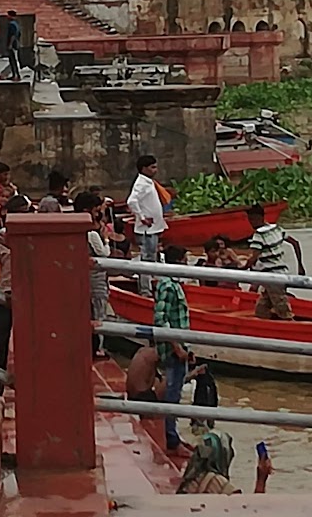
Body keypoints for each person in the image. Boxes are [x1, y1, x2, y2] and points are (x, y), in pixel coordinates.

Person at [0, 194, 33, 395]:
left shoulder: (34, 237)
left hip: (29, 298)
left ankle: (30, 385)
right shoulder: (0, 238)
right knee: (1, 342)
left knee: (29, 343)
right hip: (7, 297)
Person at [154, 244, 193, 454]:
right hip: (173, 349)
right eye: (185, 259)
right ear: (178, 261)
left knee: (175, 393)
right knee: (172, 394)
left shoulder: (172, 284)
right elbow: (161, 319)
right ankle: (172, 440)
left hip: (179, 345)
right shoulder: (168, 286)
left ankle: (174, 436)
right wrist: (177, 347)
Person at [244, 203, 304, 320]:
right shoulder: (276, 229)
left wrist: (241, 269)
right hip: (279, 274)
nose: (251, 222)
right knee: (261, 310)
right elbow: (295, 243)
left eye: (252, 219)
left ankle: (292, 329)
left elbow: (253, 258)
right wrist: (300, 265)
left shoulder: (259, 235)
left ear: (258, 218)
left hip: (273, 277)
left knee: (283, 311)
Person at [75, 190, 112, 357]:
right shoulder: (91, 234)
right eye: (96, 211)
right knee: (99, 314)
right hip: (96, 281)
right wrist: (105, 238)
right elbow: (105, 253)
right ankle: (98, 348)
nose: (99, 214)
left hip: (85, 280)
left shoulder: (77, 229)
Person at [128, 155, 168, 295]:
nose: (155, 170)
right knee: (147, 258)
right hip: (147, 229)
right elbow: (131, 201)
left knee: (151, 256)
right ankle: (145, 290)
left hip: (153, 228)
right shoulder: (141, 184)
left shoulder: (148, 182)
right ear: (144, 169)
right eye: (152, 167)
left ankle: (150, 286)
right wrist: (142, 218)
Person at [3, 10, 23, 80]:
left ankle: (16, 75)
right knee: (14, 60)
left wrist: (10, 44)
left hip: (13, 44)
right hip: (16, 44)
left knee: (13, 60)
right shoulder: (16, 24)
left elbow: (12, 35)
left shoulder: (11, 24)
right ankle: (15, 74)